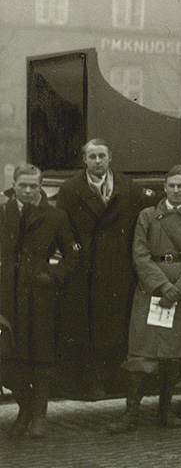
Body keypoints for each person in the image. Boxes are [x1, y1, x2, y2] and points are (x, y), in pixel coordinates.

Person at [108, 166, 181, 433]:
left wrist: (180, 289)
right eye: (172, 185)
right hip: (152, 293)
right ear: (164, 187)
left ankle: (166, 410)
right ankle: (130, 414)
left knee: (174, 356)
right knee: (140, 354)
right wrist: (163, 286)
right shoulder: (148, 216)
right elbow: (139, 255)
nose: (176, 190)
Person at [56, 138, 158, 398]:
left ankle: (114, 381)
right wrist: (74, 256)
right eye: (92, 157)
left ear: (110, 157)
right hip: (86, 271)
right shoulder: (70, 189)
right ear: (84, 160)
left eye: (102, 156)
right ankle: (92, 382)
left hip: (118, 268)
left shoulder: (128, 186)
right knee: (88, 328)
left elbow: (150, 213)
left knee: (117, 326)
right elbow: (62, 227)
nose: (98, 161)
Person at [0, 164, 79, 439]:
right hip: (6, 299)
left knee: (40, 360)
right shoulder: (1, 213)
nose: (29, 191)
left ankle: (37, 418)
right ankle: (27, 408)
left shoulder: (55, 216)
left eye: (34, 186)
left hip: (40, 300)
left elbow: (72, 256)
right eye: (23, 185)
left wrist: (52, 276)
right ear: (14, 184)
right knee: (6, 359)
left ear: (41, 186)